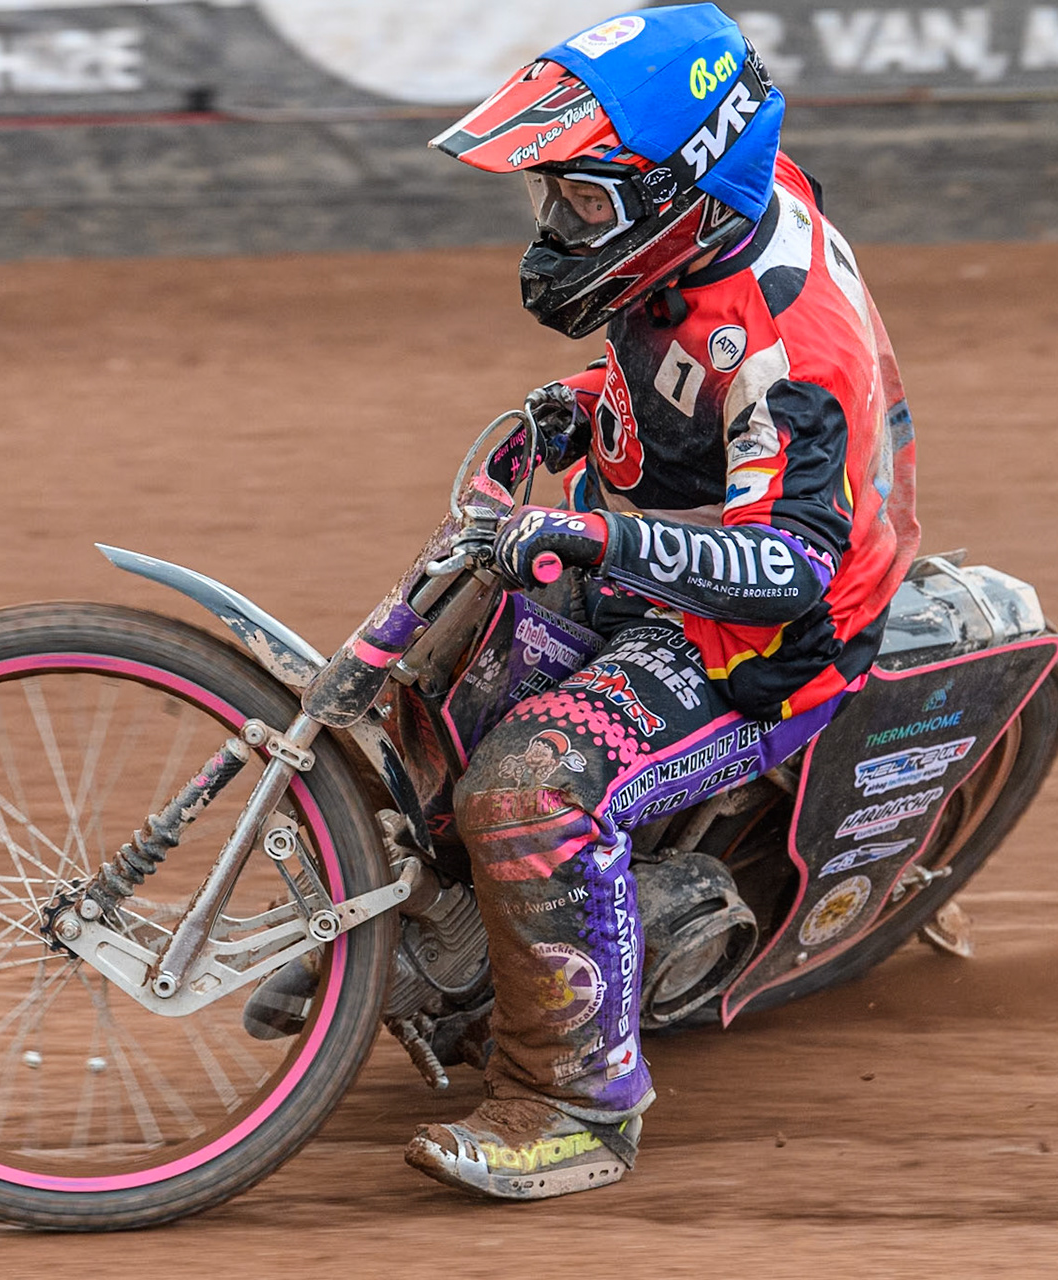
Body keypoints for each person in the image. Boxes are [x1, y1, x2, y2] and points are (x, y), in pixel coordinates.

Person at [402, 4, 920, 1200]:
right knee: (430, 664)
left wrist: (595, 535)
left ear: (681, 190)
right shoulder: (720, 212)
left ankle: (575, 1106)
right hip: (666, 537)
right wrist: (586, 403)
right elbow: (687, 361)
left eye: (584, 204)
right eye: (555, 199)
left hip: (762, 637)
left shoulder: (790, 345)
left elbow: (788, 567)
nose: (557, 230)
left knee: (528, 787)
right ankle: (405, 932)